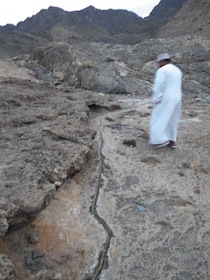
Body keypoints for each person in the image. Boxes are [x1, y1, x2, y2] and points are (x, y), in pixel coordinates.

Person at [149, 53, 183, 149]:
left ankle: (159, 140)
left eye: (159, 62)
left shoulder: (162, 70)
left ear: (162, 61)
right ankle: (172, 140)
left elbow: (159, 85)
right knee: (173, 119)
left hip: (166, 97)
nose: (159, 64)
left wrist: (156, 98)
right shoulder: (177, 70)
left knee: (158, 118)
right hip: (177, 98)